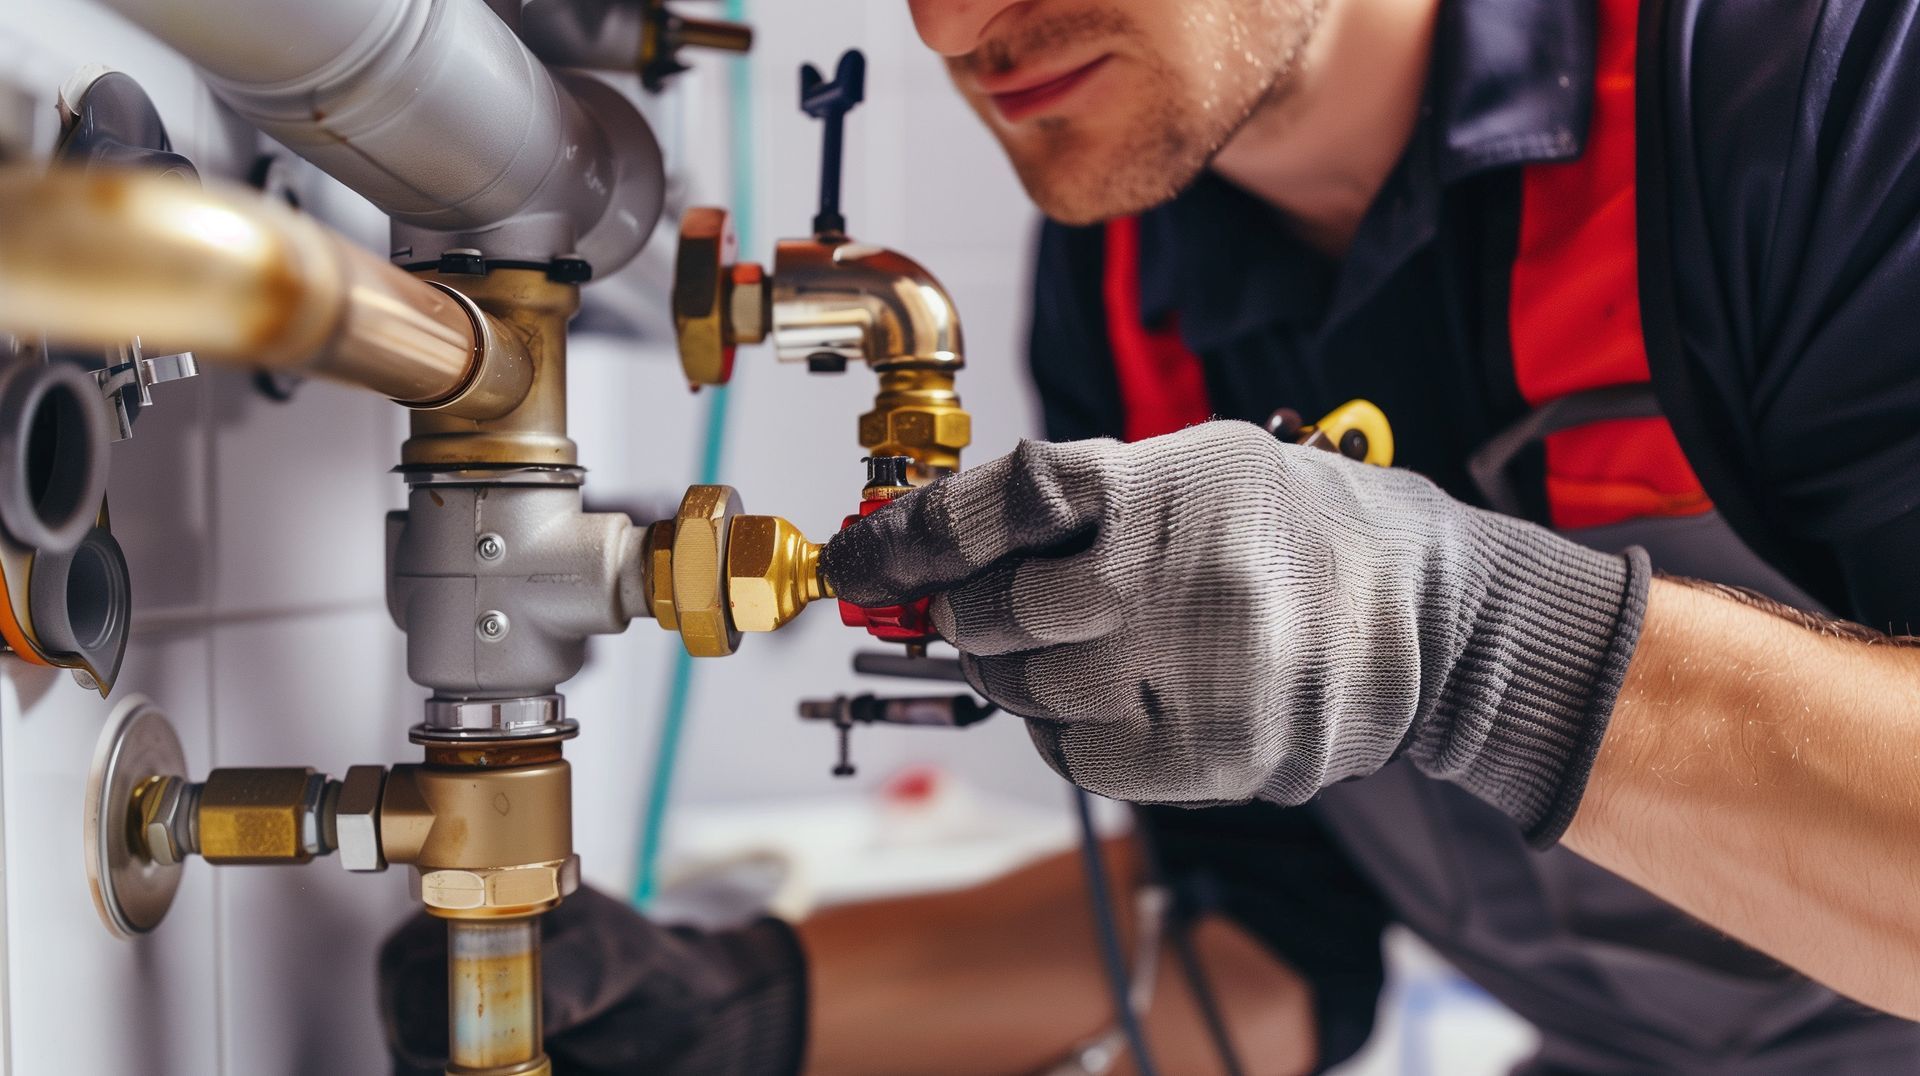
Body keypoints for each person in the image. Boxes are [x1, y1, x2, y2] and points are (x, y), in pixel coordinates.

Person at [384, 0, 1920, 1071]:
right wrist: (746, 1009)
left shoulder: (1811, 95)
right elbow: (1266, 946)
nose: (950, 23)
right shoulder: (1128, 284)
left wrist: (1464, 643)